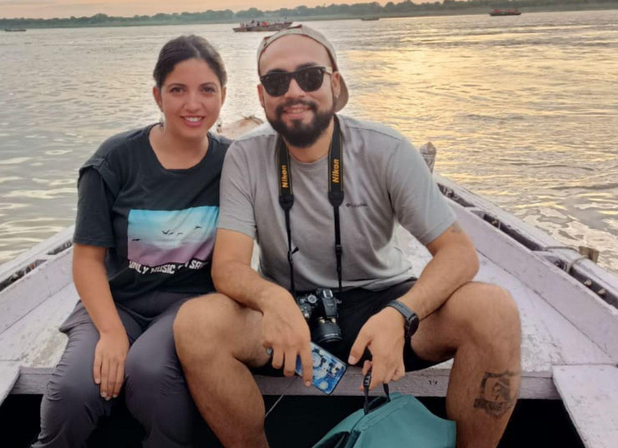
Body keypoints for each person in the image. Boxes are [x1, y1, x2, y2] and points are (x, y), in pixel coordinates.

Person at [173, 25, 521, 448]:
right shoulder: (246, 156)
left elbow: (458, 255)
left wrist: (401, 314)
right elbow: (227, 266)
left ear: (334, 84)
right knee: (197, 324)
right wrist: (272, 299)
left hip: (383, 301)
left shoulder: (385, 149)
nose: (294, 91)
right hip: (288, 310)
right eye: (277, 82)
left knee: (493, 310)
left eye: (310, 76)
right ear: (262, 96)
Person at [34, 34, 229, 448]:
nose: (193, 104)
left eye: (206, 90)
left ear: (223, 95)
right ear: (157, 96)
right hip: (115, 302)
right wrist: (110, 332)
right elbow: (87, 259)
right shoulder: (114, 161)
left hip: (190, 307)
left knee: (151, 372)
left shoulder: (233, 164)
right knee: (72, 391)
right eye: (178, 90)